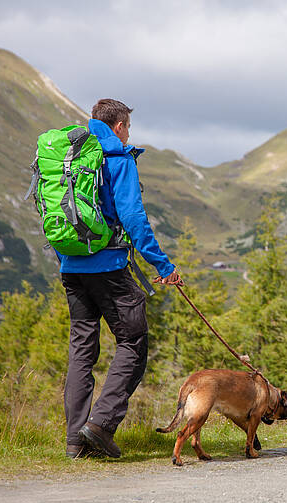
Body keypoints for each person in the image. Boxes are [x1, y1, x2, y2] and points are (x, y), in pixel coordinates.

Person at [60, 98, 182, 459]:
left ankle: (74, 444)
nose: (129, 133)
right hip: (108, 269)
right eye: (128, 126)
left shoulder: (71, 155)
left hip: (72, 267)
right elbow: (133, 218)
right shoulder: (117, 157)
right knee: (133, 341)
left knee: (82, 351)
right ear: (118, 125)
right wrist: (163, 266)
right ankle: (100, 426)